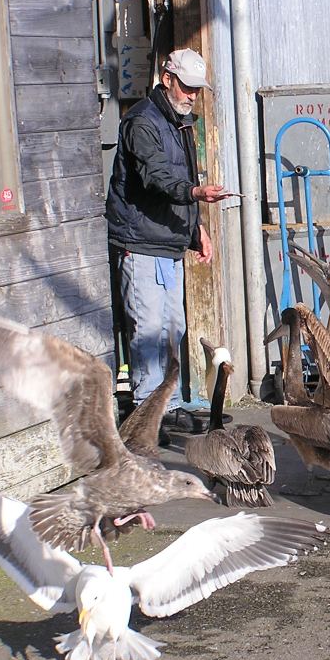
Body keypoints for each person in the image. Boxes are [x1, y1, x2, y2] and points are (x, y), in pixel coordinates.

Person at [106, 48, 227, 435]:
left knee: (171, 329)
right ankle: (146, 409)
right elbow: (156, 177)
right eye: (187, 87)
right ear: (167, 78)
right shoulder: (142, 121)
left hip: (167, 243)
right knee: (147, 330)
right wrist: (194, 194)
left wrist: (196, 230)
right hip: (141, 242)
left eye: (196, 89)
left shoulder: (179, 122)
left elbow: (178, 181)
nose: (192, 95)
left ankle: (166, 404)